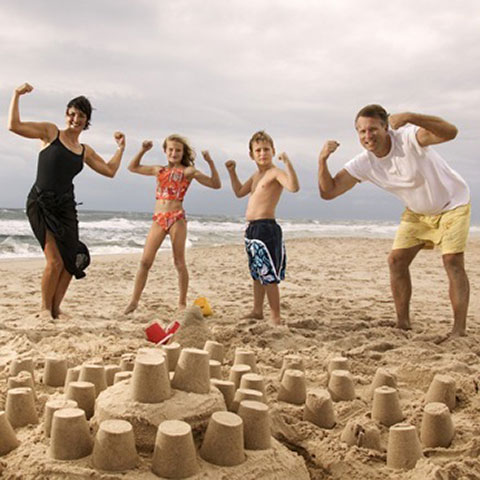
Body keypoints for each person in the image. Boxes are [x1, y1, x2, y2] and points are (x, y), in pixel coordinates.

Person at [318, 104, 470, 337]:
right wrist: (322, 160)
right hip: (418, 212)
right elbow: (328, 192)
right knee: (396, 261)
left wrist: (411, 116)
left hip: (453, 204)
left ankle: (458, 330)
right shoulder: (364, 163)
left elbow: (451, 132)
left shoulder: (409, 138)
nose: (368, 136)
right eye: (362, 131)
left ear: (386, 127)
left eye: (373, 129)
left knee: (452, 261)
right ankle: (403, 323)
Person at [8, 82, 126, 320]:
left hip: (66, 207)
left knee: (71, 261)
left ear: (86, 121)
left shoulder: (84, 150)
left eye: (81, 116)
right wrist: (16, 95)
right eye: (72, 114)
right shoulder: (51, 133)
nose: (75, 119)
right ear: (66, 115)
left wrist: (121, 148)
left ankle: (55, 309)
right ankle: (44, 308)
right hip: (40, 203)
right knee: (54, 261)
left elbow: (110, 170)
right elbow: (14, 126)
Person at [124, 135, 221, 314]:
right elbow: (132, 167)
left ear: (182, 152)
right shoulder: (158, 170)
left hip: (177, 217)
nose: (174, 153)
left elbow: (216, 184)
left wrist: (210, 162)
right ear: (165, 151)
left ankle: (182, 303)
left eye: (178, 150)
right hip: (159, 218)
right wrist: (143, 150)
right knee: (145, 261)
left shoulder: (188, 171)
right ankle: (134, 301)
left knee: (179, 262)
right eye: (170, 149)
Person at [225, 131, 300, 325]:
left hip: (266, 228)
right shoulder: (256, 175)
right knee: (256, 273)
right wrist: (232, 172)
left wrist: (287, 163)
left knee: (269, 275)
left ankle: (275, 316)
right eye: (258, 150)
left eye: (266, 149)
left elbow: (293, 187)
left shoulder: (275, 172)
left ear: (273, 151)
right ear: (251, 154)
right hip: (252, 229)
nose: (262, 153)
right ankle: (257, 310)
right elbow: (239, 192)